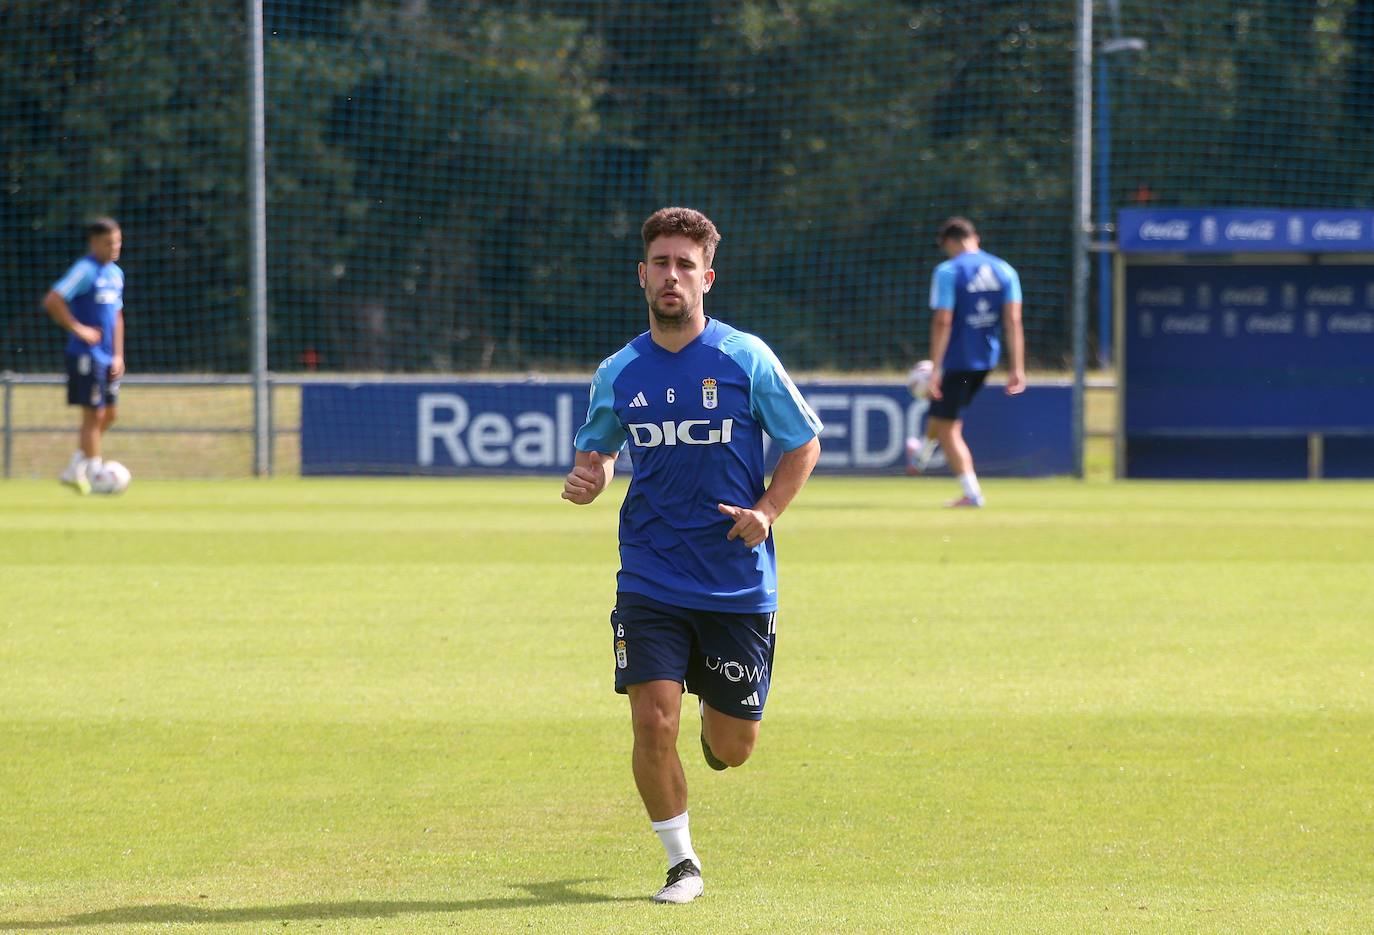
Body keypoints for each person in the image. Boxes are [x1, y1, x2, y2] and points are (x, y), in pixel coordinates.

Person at [563, 207, 822, 904]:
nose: (671, 275)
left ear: (707, 277)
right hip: (649, 572)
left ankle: (718, 724)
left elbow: (803, 443)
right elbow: (600, 450)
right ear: (642, 275)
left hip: (735, 581)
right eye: (660, 263)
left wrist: (766, 512)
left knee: (734, 747)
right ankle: (682, 862)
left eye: (685, 264)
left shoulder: (746, 357)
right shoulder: (618, 370)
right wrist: (591, 476)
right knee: (652, 717)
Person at [905, 216, 1024, 506]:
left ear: (951, 241)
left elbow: (943, 321)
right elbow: (1013, 319)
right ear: (975, 238)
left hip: (958, 361)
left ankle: (972, 494)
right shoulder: (1005, 270)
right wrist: (1017, 368)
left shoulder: (948, 271)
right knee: (943, 414)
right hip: (986, 360)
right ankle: (920, 455)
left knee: (948, 428)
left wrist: (936, 369)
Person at [43, 218, 125, 495]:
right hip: (85, 355)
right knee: (94, 414)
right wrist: (79, 329)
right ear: (93, 242)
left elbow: (117, 315)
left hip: (107, 357)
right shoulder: (85, 270)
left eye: (117, 241)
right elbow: (53, 299)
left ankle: (74, 467)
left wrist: (118, 355)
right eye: (108, 242)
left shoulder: (115, 274)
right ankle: (95, 473)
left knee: (109, 415)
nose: (114, 247)